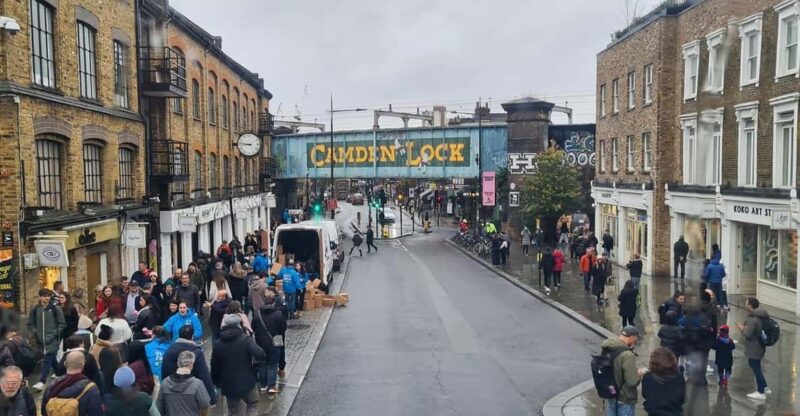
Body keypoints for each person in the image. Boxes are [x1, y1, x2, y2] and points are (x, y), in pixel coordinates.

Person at [211, 315, 266, 416]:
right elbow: (260, 354)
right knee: (252, 404)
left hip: (228, 384)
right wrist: (255, 368)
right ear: (239, 325)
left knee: (233, 411)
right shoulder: (245, 340)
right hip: (247, 380)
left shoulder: (218, 344)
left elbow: (214, 366)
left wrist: (216, 381)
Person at [161, 326, 216, 405]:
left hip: (173, 395)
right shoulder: (196, 353)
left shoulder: (168, 352)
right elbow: (204, 376)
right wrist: (212, 398)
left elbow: (164, 373)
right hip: (192, 394)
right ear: (192, 337)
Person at [41, 351, 102, 416]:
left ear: (65, 364)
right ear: (82, 365)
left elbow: (44, 411)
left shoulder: (52, 385)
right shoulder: (91, 388)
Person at [27, 288, 66, 391]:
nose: (46, 298)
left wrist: (55, 333)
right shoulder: (35, 309)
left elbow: (62, 323)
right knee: (52, 359)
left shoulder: (55, 309)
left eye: (48, 296)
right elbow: (30, 323)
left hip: (53, 340)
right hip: (41, 340)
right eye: (44, 296)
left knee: (47, 358)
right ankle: (60, 373)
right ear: (40, 297)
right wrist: (35, 332)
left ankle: (42, 381)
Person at [600, 326, 643, 416]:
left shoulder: (608, 347)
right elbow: (632, 382)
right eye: (635, 339)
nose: (635, 341)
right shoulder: (627, 355)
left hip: (611, 393)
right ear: (632, 337)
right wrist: (638, 374)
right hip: (624, 397)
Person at [737, 297, 771, 400]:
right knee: (756, 366)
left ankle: (761, 392)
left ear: (750, 306)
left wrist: (742, 329)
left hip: (754, 347)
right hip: (761, 345)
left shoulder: (753, 319)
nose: (745, 305)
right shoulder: (762, 316)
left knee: (755, 367)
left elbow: (748, 334)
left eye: (747, 304)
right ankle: (765, 387)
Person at [158, 350, 211, 416]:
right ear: (191, 365)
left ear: (178, 363)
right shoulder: (197, 384)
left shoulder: (164, 383)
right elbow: (205, 404)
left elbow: (159, 407)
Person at [252, 295, 287, 394]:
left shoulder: (257, 314)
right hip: (274, 343)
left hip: (260, 343)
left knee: (262, 364)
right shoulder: (278, 314)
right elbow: (284, 328)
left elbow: (253, 327)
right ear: (273, 303)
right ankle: (271, 386)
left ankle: (263, 385)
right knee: (273, 364)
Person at [641, 347, 685, 416]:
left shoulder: (648, 377)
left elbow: (645, 395)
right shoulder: (678, 377)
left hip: (654, 413)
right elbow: (682, 398)